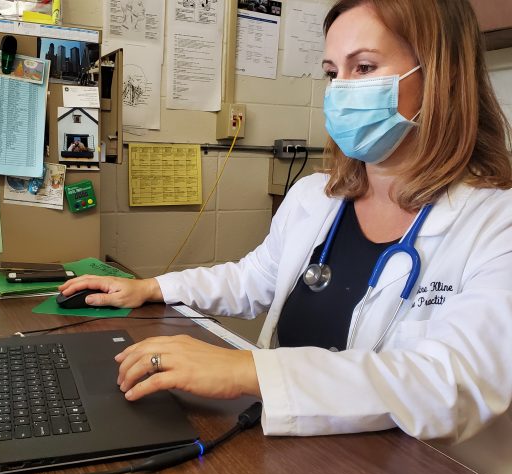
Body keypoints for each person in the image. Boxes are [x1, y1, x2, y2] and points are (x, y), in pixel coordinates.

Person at [59, 0, 512, 448]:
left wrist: (245, 370)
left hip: (408, 463)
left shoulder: (496, 220)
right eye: (333, 73)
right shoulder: (316, 197)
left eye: (365, 67)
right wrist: (152, 288)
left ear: (440, 77)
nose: (341, 91)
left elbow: (455, 382)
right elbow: (254, 278)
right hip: (294, 449)